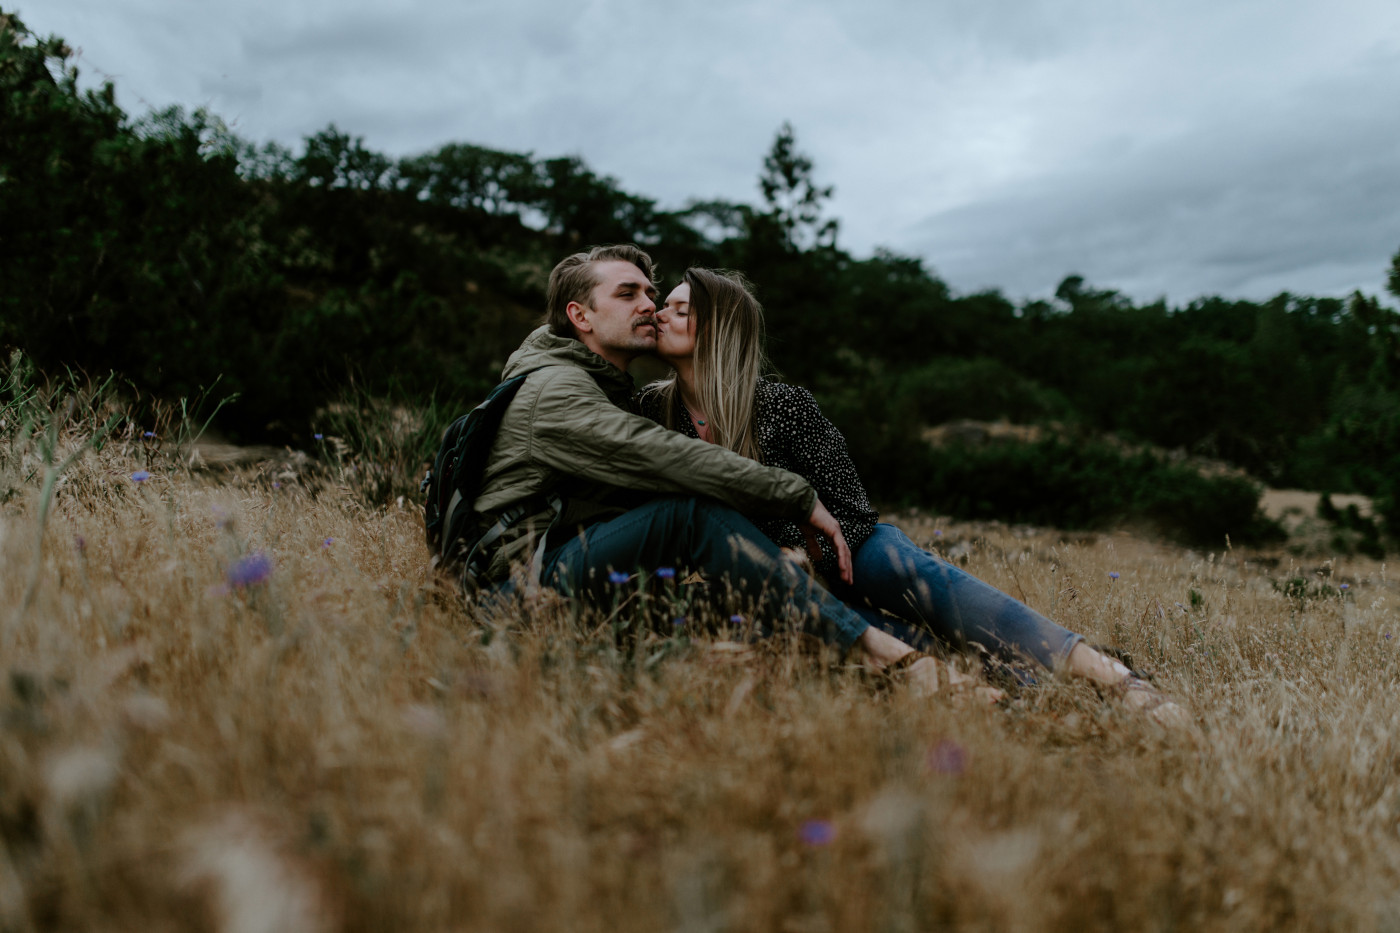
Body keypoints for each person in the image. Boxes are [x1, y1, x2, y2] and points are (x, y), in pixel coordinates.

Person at [640, 267, 1184, 722]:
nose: (659, 313)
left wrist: (818, 562)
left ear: (721, 330)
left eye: (680, 308)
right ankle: (1027, 694)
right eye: (663, 305)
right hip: (770, 583)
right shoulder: (650, 411)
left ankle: (1115, 679)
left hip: (849, 552)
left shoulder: (783, 406)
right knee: (887, 637)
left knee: (913, 571)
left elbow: (850, 508)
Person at [469, 244, 991, 698]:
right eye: (629, 294)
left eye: (651, 294)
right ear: (581, 317)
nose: (649, 307)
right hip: (519, 585)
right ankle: (884, 654)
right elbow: (666, 457)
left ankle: (973, 668)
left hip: (575, 568)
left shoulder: (606, 387)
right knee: (690, 516)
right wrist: (795, 496)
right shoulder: (558, 391)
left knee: (742, 601)